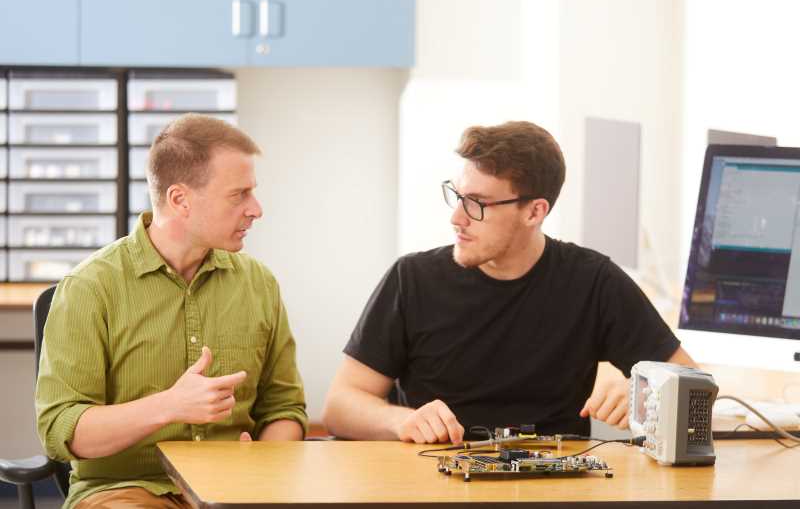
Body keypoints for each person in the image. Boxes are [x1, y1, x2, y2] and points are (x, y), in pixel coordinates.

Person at [322, 120, 696, 444]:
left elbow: (693, 386)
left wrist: (641, 391)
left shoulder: (593, 281)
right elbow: (340, 405)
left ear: (534, 211)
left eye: (477, 204)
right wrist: (402, 420)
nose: (457, 217)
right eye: (457, 196)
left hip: (551, 490)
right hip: (434, 484)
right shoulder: (412, 279)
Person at [36, 114, 307, 508]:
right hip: (127, 490)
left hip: (236, 492)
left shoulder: (259, 284)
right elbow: (63, 430)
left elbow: (285, 408)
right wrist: (170, 406)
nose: (256, 209)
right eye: (239, 194)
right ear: (179, 199)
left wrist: (263, 461)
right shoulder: (90, 288)